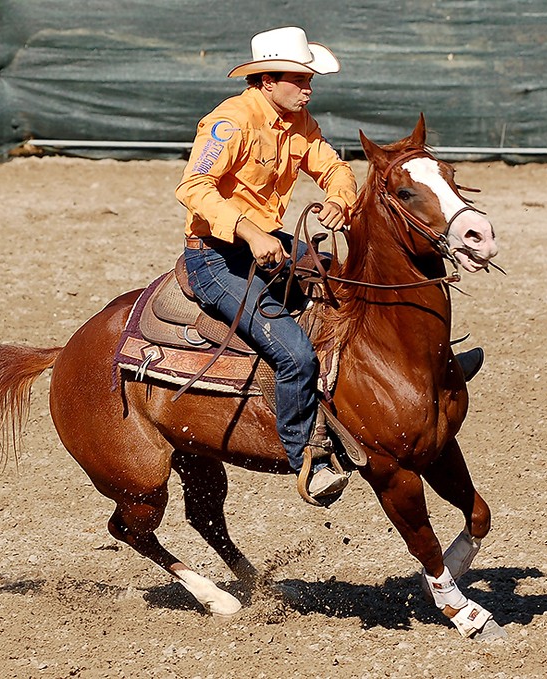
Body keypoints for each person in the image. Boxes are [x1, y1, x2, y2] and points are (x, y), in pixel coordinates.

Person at [175, 26, 484, 503]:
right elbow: (194, 188)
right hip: (217, 256)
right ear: (265, 80)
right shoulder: (229, 124)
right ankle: (311, 456)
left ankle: (414, 370)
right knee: (293, 351)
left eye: (309, 79)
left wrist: (339, 198)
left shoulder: (299, 122)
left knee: (349, 287)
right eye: (299, 79)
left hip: (271, 243)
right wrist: (252, 232)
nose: (308, 88)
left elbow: (335, 168)